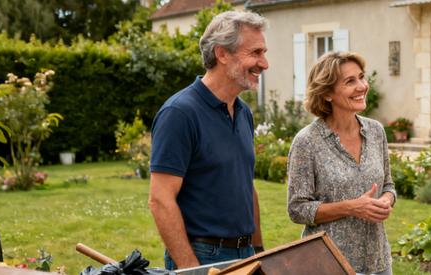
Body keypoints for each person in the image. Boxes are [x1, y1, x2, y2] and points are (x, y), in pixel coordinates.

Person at [148, 11, 269, 270]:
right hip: (203, 255)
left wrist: (258, 251)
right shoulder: (179, 113)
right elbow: (160, 200)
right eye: (255, 53)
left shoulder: (243, 111)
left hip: (245, 252)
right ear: (222, 54)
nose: (265, 63)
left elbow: (246, 186)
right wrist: (192, 269)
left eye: (263, 52)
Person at [287, 51, 396, 275]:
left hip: (378, 262)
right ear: (327, 93)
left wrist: (386, 201)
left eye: (361, 77)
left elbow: (388, 185)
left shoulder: (376, 131)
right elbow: (297, 209)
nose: (362, 86)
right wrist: (352, 207)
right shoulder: (307, 141)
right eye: (350, 81)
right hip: (328, 264)